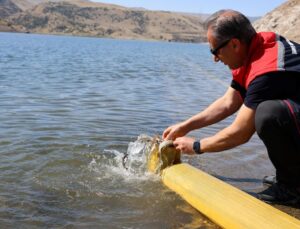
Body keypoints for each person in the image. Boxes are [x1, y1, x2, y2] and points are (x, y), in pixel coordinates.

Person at [162, 9, 300, 206]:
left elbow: (239, 133)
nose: (215, 59)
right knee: (273, 111)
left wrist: (195, 146)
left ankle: (293, 189)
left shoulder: (267, 70)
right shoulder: (257, 47)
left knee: (268, 114)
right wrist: (186, 126)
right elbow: (228, 102)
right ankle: (290, 177)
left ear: (234, 44)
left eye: (215, 50)